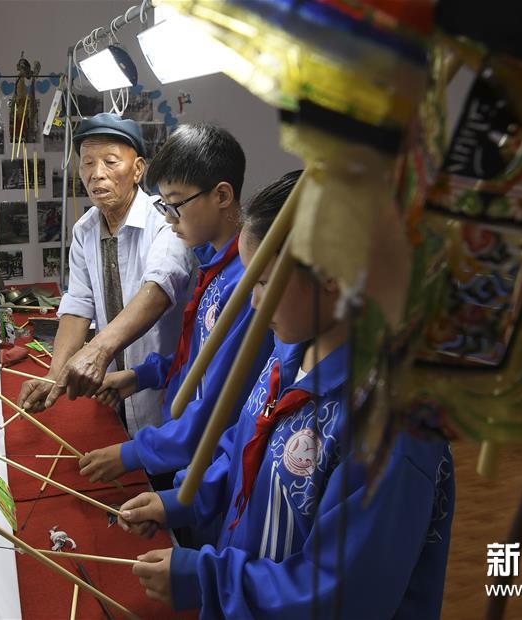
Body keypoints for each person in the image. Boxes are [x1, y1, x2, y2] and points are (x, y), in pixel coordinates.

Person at [116, 171, 456, 618]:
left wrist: (207, 579)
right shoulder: (289, 351)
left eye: (263, 283)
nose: (253, 303)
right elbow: (242, 449)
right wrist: (180, 500)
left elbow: (341, 596)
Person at [77, 124, 273, 495]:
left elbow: (216, 407)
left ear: (222, 195)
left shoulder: (246, 284)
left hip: (211, 475)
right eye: (164, 205)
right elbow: (197, 361)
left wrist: (131, 454)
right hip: (188, 459)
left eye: (176, 204)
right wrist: (141, 376)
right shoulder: (212, 267)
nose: (168, 218)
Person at [17, 113, 195, 437]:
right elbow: (78, 304)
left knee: (166, 474)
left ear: (138, 169)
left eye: (111, 162)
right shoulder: (85, 230)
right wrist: (54, 375)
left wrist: (96, 350)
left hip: (169, 394)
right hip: (114, 394)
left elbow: (158, 290)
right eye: (87, 163)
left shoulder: (165, 221)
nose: (97, 175)